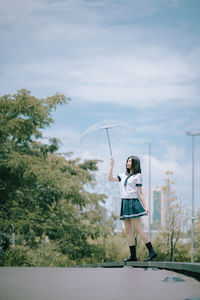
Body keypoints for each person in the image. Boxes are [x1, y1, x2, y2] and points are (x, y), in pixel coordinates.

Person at [108, 155, 157, 262]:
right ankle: (133, 256)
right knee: (128, 231)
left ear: (135, 163)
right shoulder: (122, 175)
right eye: (127, 160)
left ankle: (152, 251)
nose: (128, 162)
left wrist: (145, 206)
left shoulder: (138, 176)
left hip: (133, 203)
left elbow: (140, 193)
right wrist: (112, 166)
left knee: (138, 229)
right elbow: (110, 179)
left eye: (130, 161)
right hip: (124, 202)